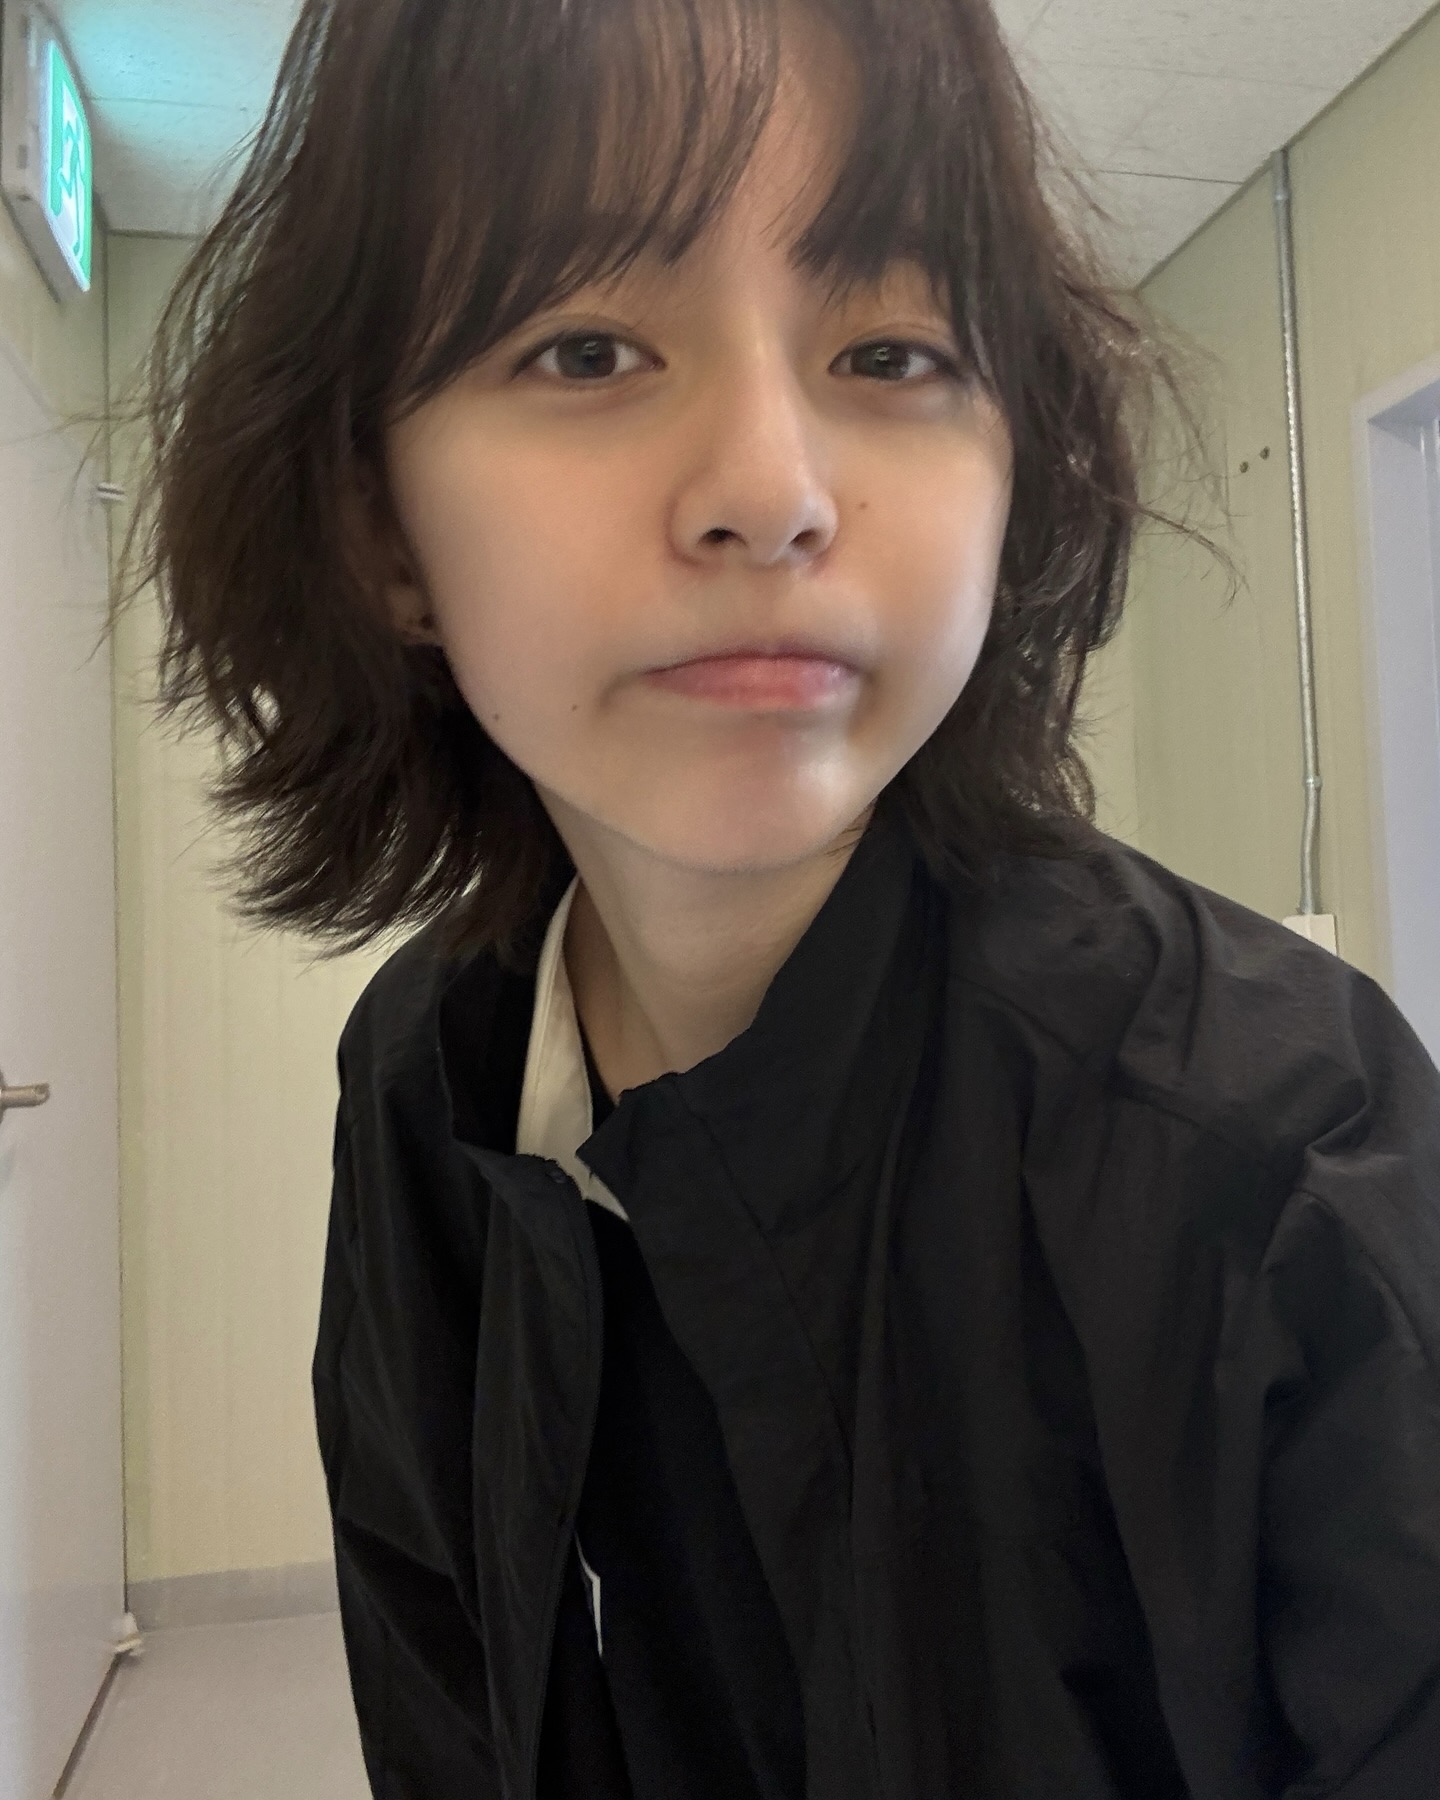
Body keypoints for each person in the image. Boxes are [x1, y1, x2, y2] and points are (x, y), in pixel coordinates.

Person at [124, 0, 1440, 1793]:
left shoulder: (1284, 1141)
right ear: (380, 530)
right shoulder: (429, 1075)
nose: (772, 492)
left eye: (892, 352)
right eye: (587, 347)